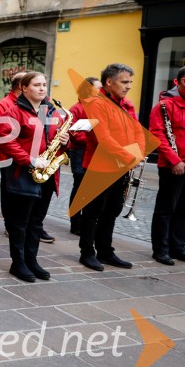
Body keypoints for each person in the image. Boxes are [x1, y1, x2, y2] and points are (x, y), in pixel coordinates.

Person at [0, 72, 68, 282]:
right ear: (25, 88)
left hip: (46, 174)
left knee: (36, 222)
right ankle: (17, 263)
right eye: (37, 85)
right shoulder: (13, 111)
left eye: (44, 84)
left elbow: (57, 138)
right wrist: (29, 159)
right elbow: (7, 140)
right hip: (24, 173)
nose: (42, 88)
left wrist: (64, 140)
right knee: (20, 222)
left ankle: (32, 260)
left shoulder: (50, 110)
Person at [77, 63, 145, 271]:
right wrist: (127, 155)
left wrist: (138, 153)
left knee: (112, 210)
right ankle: (87, 253)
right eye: (125, 82)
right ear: (109, 82)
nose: (129, 86)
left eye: (130, 82)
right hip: (100, 166)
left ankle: (106, 251)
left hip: (120, 166)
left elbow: (138, 132)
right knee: (93, 211)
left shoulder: (127, 104)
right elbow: (103, 138)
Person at [148, 65, 185, 265]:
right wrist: (175, 160)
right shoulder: (164, 106)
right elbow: (157, 135)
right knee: (166, 209)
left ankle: (178, 247)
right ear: (183, 81)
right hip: (173, 165)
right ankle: (161, 249)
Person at [0, 71, 27, 238]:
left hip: (26, 158)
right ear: (22, 87)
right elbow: (0, 130)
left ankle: (25, 223)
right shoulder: (4, 104)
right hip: (7, 157)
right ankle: (9, 223)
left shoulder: (35, 104)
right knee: (8, 192)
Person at [67, 77, 101, 236]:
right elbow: (73, 132)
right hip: (80, 151)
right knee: (79, 187)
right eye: (98, 88)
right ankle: (75, 223)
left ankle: (88, 222)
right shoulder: (77, 108)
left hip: (95, 153)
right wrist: (94, 138)